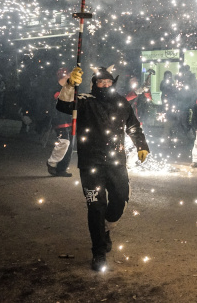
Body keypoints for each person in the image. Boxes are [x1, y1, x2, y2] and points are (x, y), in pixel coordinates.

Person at [56, 65, 150, 272]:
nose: (105, 85)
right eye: (101, 82)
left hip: (116, 162)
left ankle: (108, 227)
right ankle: (98, 252)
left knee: (120, 198)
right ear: (95, 84)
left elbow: (133, 126)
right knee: (96, 206)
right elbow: (63, 105)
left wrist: (141, 145)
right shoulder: (85, 102)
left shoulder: (122, 102)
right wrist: (71, 84)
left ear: (113, 84)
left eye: (109, 82)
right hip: (91, 163)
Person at [46, 68, 74, 177]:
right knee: (64, 141)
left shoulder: (71, 87)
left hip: (69, 118)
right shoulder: (55, 88)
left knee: (70, 146)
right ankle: (52, 163)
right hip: (59, 118)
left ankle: (61, 169)